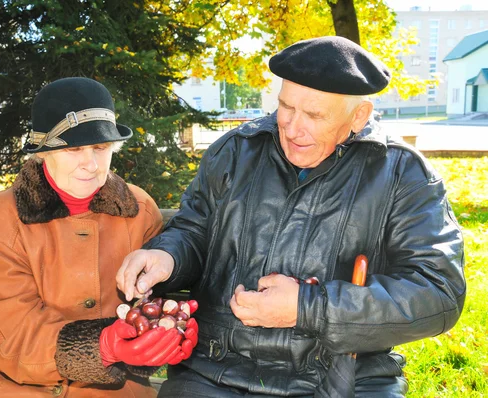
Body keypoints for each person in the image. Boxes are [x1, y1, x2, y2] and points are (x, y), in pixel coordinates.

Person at [116, 36, 466, 397]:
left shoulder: (402, 174)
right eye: (286, 107)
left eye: (314, 115)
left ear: (359, 115)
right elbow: (194, 229)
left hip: (345, 376)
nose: (293, 128)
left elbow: (438, 292)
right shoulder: (235, 151)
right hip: (216, 370)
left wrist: (307, 309)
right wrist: (167, 256)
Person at [0, 77, 197, 397]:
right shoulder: (2, 220)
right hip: (7, 379)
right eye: (73, 148)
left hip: (112, 386)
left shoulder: (139, 211)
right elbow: (11, 339)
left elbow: (152, 304)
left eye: (100, 146)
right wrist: (102, 346)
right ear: (42, 152)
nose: (91, 163)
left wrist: (169, 328)